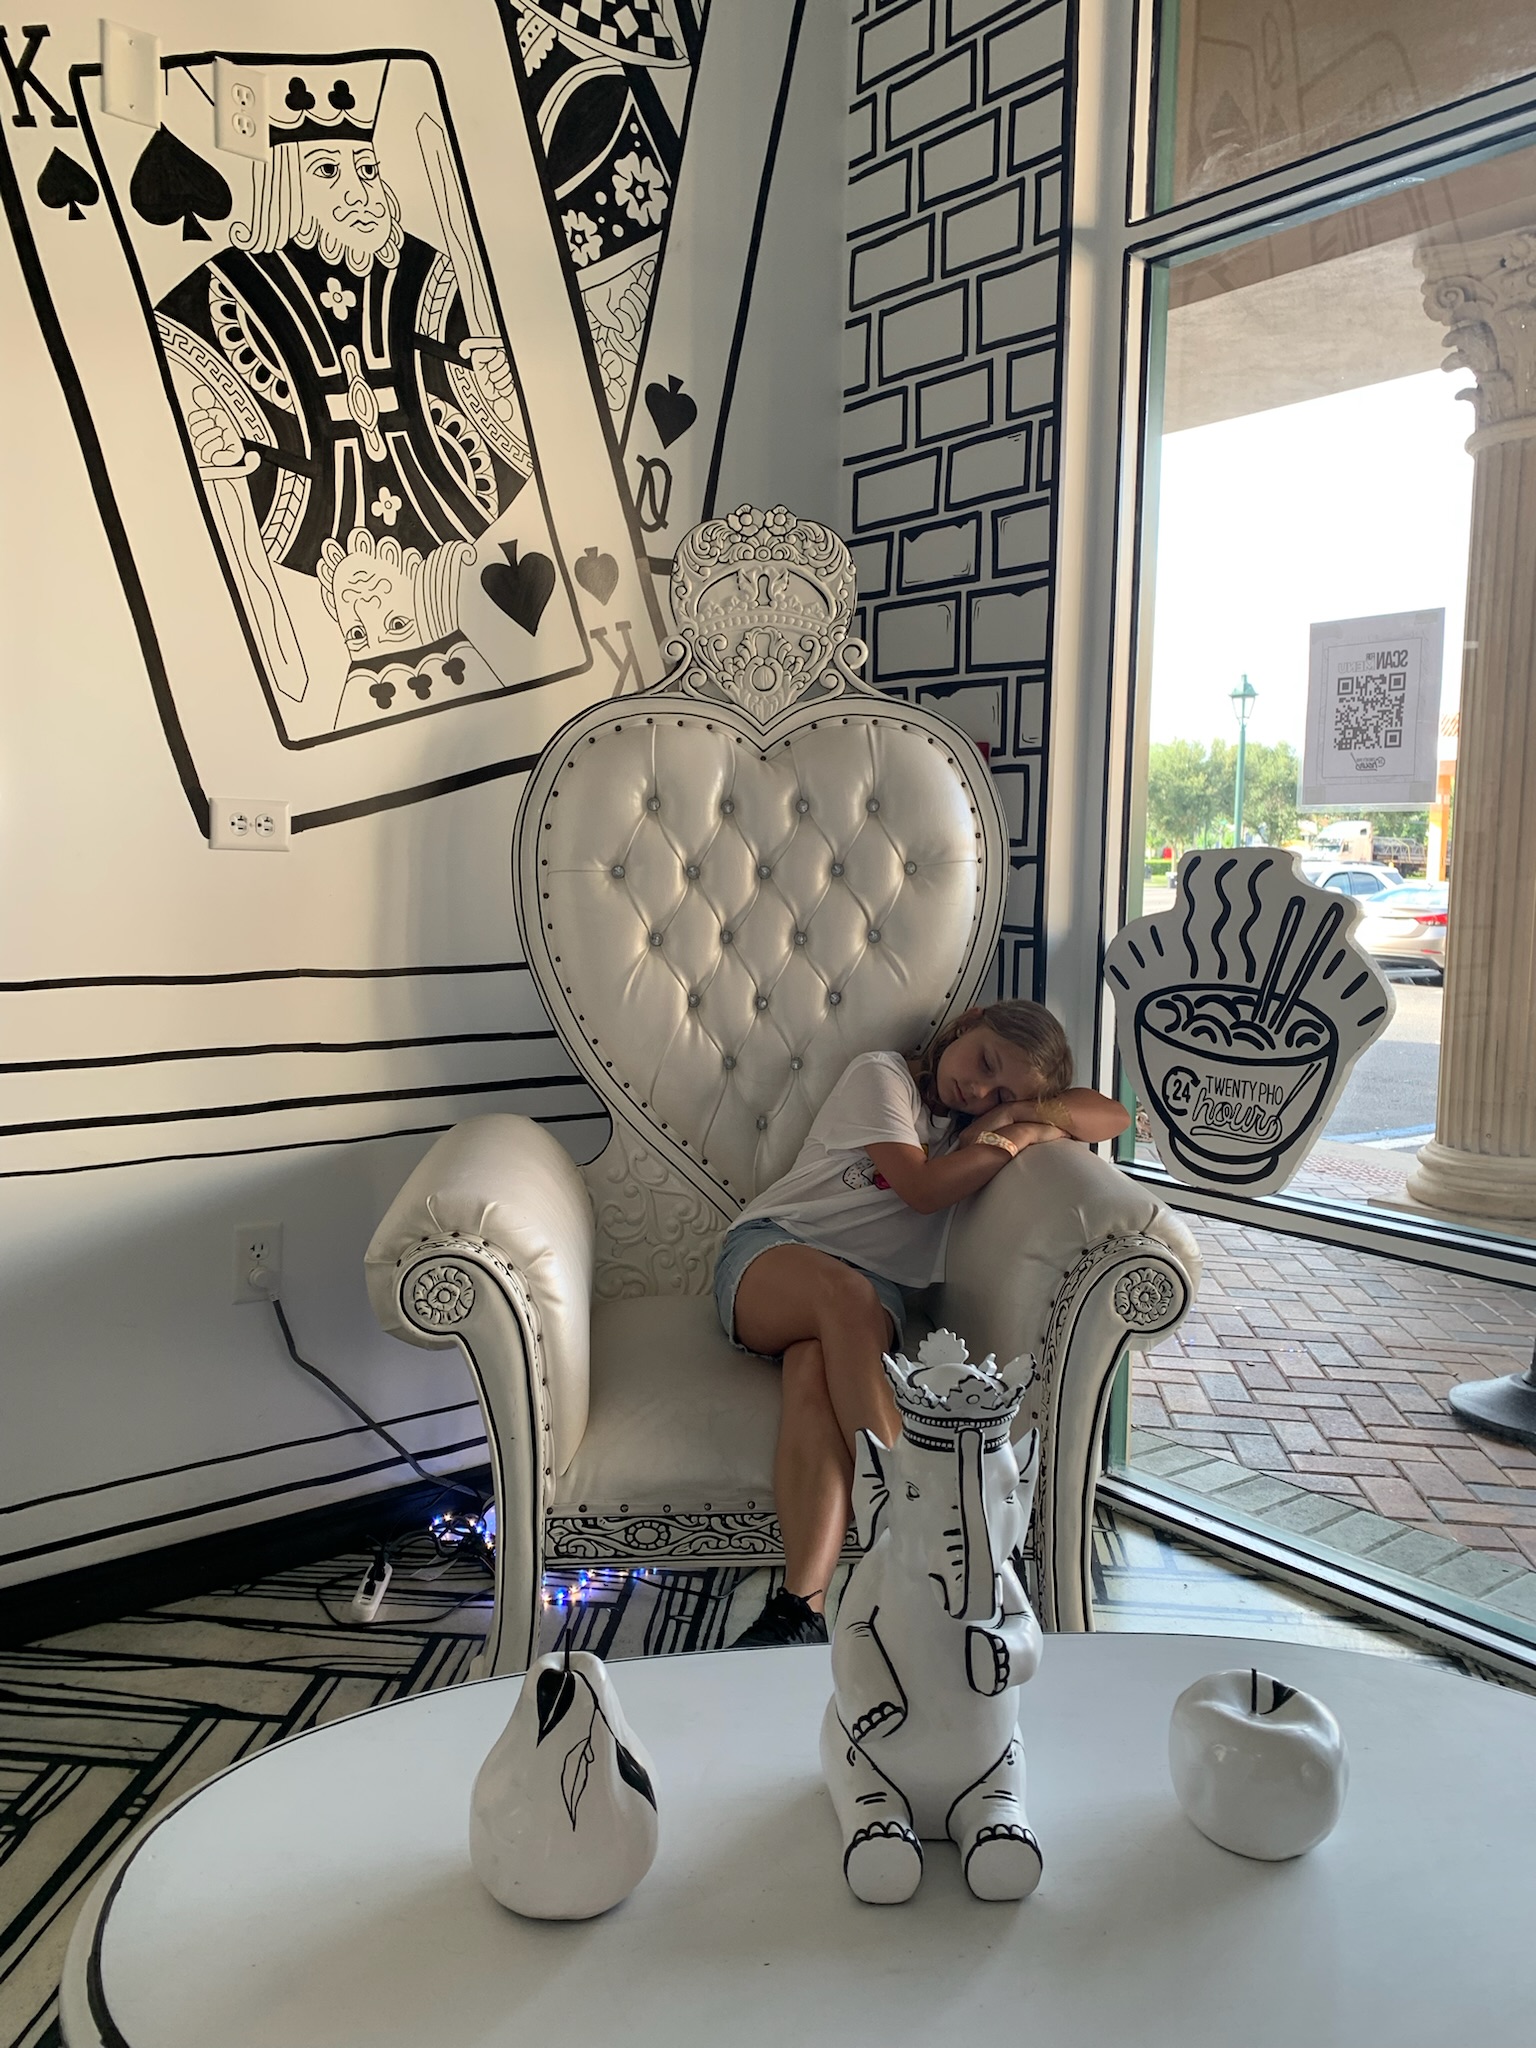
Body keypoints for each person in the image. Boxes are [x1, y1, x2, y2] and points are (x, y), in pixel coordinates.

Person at [715, 1000, 1131, 1649]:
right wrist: (1014, 1135)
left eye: (1002, 1093)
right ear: (966, 1025)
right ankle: (919, 1521)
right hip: (772, 1253)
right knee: (844, 1295)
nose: (980, 1091)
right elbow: (923, 1190)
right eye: (985, 1062)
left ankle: (798, 1609)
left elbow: (1112, 1115)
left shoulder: (970, 1126)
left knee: (812, 1373)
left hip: (868, 1296)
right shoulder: (881, 1075)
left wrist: (1026, 1113)